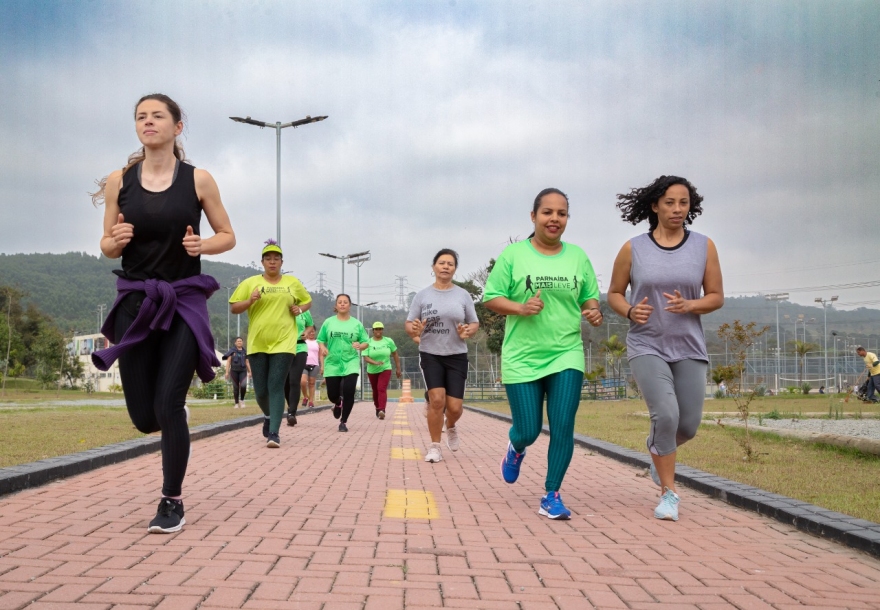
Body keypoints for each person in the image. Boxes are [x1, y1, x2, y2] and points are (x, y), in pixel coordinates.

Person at [91, 93, 235, 534]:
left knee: (169, 403)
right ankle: (172, 418)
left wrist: (202, 245)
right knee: (143, 417)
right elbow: (106, 245)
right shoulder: (121, 181)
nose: (148, 122)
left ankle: (171, 501)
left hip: (182, 302)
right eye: (141, 117)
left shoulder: (199, 180)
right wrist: (115, 240)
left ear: (177, 126)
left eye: (157, 116)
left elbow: (226, 235)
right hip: (136, 303)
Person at [607, 175, 723, 522]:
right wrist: (629, 310)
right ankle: (669, 494)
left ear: (691, 206)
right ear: (655, 205)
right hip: (647, 343)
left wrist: (692, 306)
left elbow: (716, 296)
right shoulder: (633, 248)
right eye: (670, 202)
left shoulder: (704, 246)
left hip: (688, 345)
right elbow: (614, 292)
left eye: (683, 203)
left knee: (687, 426)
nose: (677, 209)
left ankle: (658, 450)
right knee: (666, 416)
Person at [483, 189, 602, 520]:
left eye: (561, 213)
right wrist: (520, 307)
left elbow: (590, 298)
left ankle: (552, 494)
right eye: (547, 212)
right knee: (529, 430)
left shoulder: (578, 256)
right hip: (522, 356)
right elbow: (491, 297)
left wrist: (593, 312)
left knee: (563, 424)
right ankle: (516, 447)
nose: (554, 219)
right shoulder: (513, 256)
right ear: (533, 217)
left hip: (566, 352)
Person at [229, 240, 311, 447]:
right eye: (268, 259)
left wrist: (299, 310)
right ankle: (268, 416)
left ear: (282, 262)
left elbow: (306, 301)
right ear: (262, 262)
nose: (272, 262)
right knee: (261, 390)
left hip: (284, 342)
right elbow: (234, 307)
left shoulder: (292, 282)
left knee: (275, 385)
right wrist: (250, 301)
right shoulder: (250, 283)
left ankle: (274, 432)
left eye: (276, 259)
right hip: (258, 342)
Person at [407, 249, 480, 464]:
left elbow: (474, 322)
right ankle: (435, 446)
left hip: (457, 354)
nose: (446, 266)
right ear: (434, 267)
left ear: (455, 269)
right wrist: (415, 329)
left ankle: (451, 425)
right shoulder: (422, 296)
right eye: (442, 263)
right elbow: (410, 323)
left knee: (455, 408)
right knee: (437, 401)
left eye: (450, 263)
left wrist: (468, 331)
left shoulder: (463, 295)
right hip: (430, 353)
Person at [317, 294, 369, 432]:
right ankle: (337, 402)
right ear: (336, 305)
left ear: (349, 305)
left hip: (350, 361)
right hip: (332, 362)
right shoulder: (328, 322)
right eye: (339, 302)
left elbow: (366, 342)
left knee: (349, 391)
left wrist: (360, 345)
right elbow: (320, 339)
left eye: (345, 302)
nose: (342, 304)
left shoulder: (356, 324)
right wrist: (323, 347)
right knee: (332, 394)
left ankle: (343, 421)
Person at [363, 322, 402, 419]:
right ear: (373, 331)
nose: (378, 331)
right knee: (375, 390)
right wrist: (375, 363)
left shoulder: (388, 341)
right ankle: (377, 408)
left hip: (385, 368)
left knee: (381, 388)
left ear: (382, 330)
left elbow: (395, 354)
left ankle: (382, 409)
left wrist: (398, 368)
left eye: (380, 329)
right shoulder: (368, 342)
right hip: (372, 370)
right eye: (376, 329)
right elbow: (366, 358)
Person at [283, 308, 315, 426]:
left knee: (294, 381)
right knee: (285, 382)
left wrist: (306, 333)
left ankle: (292, 413)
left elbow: (310, 325)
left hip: (300, 347)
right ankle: (291, 405)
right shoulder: (281, 306)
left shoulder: (304, 310)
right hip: (283, 348)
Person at [223, 337, 251, 408]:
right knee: (235, 387)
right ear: (235, 343)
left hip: (243, 371)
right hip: (234, 371)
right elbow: (228, 362)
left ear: (242, 342)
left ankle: (242, 400)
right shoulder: (232, 351)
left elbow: (247, 362)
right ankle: (236, 403)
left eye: (240, 341)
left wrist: (250, 371)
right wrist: (226, 372)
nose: (239, 342)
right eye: (238, 341)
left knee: (243, 386)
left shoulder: (245, 352)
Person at [300, 327, 320, 408]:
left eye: (313, 331)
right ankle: (305, 396)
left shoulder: (318, 342)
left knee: (312, 384)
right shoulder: (303, 341)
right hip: (304, 364)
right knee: (303, 382)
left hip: (314, 364)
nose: (311, 333)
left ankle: (311, 401)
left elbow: (321, 354)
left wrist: (322, 366)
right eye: (310, 331)